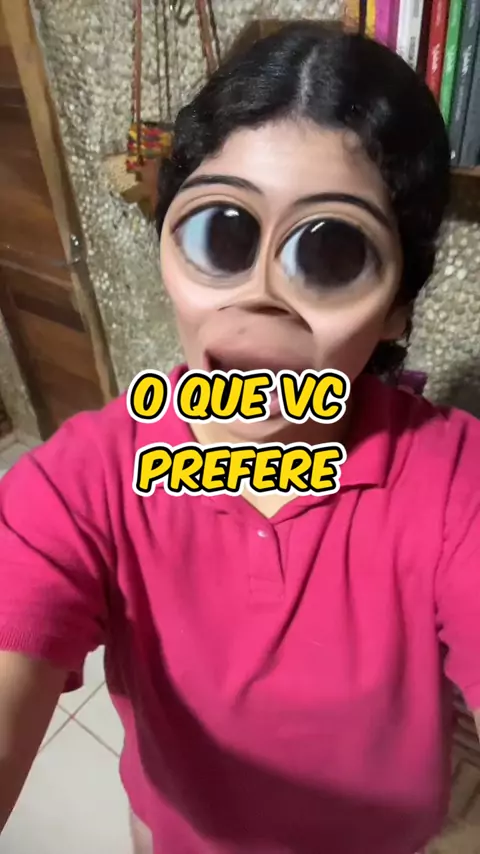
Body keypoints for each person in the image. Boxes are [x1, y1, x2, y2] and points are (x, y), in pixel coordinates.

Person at [0, 20, 479, 854]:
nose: (259, 297)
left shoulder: (453, 477)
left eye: (331, 253)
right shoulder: (81, 485)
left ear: (398, 306)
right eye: (223, 233)